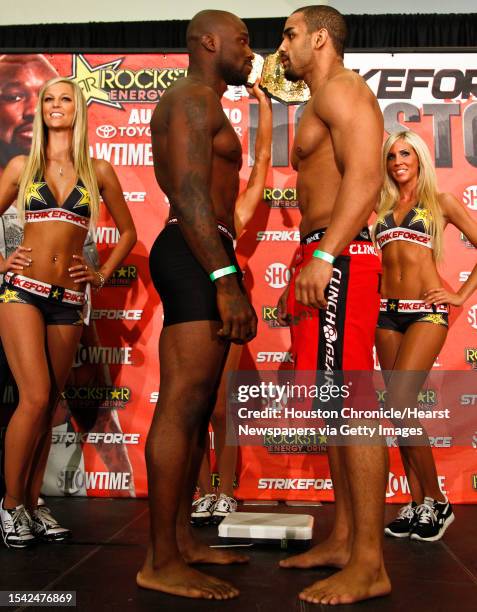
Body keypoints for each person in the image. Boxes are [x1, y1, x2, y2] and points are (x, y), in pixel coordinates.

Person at [137, 9, 257, 601]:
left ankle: (181, 540)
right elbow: (184, 189)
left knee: (200, 401)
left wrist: (224, 264)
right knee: (183, 406)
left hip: (201, 250)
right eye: (242, 40)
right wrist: (224, 274)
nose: (250, 50)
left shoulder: (202, 101)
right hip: (193, 252)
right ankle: (159, 560)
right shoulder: (189, 96)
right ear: (209, 42)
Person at [276, 5, 391, 605]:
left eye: (290, 35)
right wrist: (306, 259)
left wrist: (325, 256)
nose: (284, 47)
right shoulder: (317, 101)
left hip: (340, 256)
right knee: (333, 407)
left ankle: (371, 562)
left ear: (320, 38)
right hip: (322, 255)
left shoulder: (344, 91)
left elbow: (366, 177)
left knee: (354, 404)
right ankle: (346, 539)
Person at [0, 77, 136, 548]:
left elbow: (129, 234)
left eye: (66, 99)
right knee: (35, 398)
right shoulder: (22, 166)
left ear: (79, 111)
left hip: (68, 301)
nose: (57, 106)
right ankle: (10, 505)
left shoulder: (97, 169)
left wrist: (100, 275)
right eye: (50, 100)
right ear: (42, 111)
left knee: (50, 404)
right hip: (22, 292)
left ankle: (34, 504)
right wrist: (2, 262)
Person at [374, 130, 477, 541]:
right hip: (386, 315)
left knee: (400, 402)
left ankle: (438, 500)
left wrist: (459, 294)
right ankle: (416, 505)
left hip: (427, 313)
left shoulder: (440, 201)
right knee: (400, 412)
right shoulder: (381, 206)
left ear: (418, 159)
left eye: (406, 153)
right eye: (392, 155)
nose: (398, 160)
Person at [192, 80, 272, 526]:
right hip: (190, 302)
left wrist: (261, 105)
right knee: (194, 404)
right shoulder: (183, 212)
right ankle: (202, 490)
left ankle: (225, 490)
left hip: (232, 307)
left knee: (222, 406)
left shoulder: (234, 217)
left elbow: (260, 165)